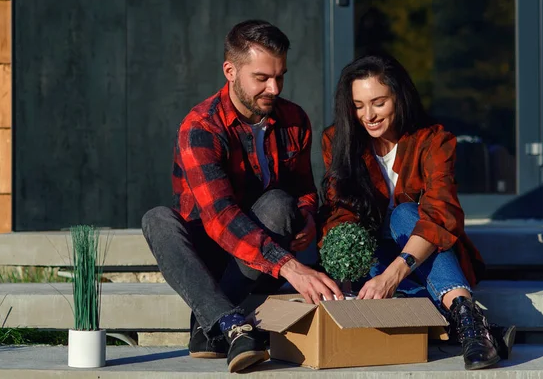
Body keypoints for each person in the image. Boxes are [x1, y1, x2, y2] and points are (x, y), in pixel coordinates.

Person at [142, 20, 342, 373]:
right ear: (230, 71)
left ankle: (213, 327)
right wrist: (289, 266)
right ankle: (226, 322)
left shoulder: (294, 118)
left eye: (280, 76)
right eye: (262, 78)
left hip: (262, 252)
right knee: (156, 220)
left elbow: (303, 188)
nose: (274, 87)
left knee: (281, 203)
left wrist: (308, 216)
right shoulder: (201, 127)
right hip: (213, 251)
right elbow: (220, 217)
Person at [319, 53, 515, 370]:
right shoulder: (337, 140)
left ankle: (467, 317)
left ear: (400, 96)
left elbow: (441, 214)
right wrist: (343, 271)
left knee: (406, 214)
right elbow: (340, 211)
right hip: (375, 259)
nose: (367, 115)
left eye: (378, 102)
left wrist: (394, 274)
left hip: (425, 252)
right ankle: (473, 328)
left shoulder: (433, 140)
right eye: (358, 105)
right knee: (372, 252)